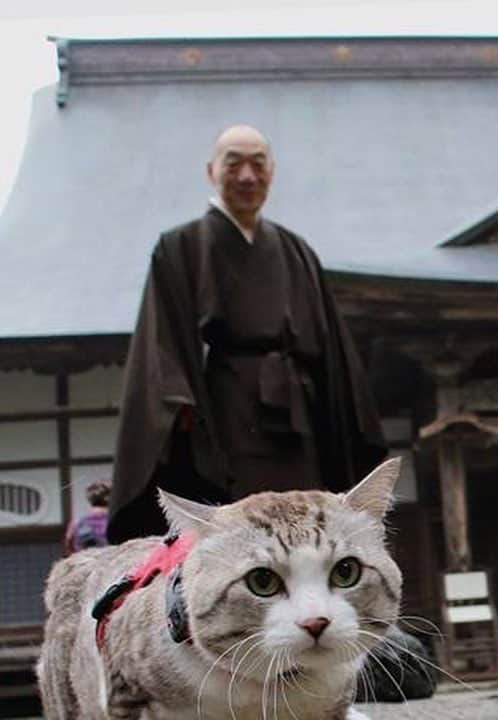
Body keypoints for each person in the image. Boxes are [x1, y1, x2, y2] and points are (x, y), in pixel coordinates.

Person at [108, 124, 387, 542]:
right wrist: (180, 402)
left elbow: (331, 347)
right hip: (227, 410)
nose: (246, 176)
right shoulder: (181, 245)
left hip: (299, 412)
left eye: (258, 164)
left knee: (306, 515)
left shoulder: (297, 249)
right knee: (240, 524)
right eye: (233, 163)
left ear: (272, 171)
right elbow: (161, 339)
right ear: (211, 171)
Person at [63, 480, 111, 555]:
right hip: (116, 562)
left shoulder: (77, 522)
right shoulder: (117, 519)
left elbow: (69, 546)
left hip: (87, 562)